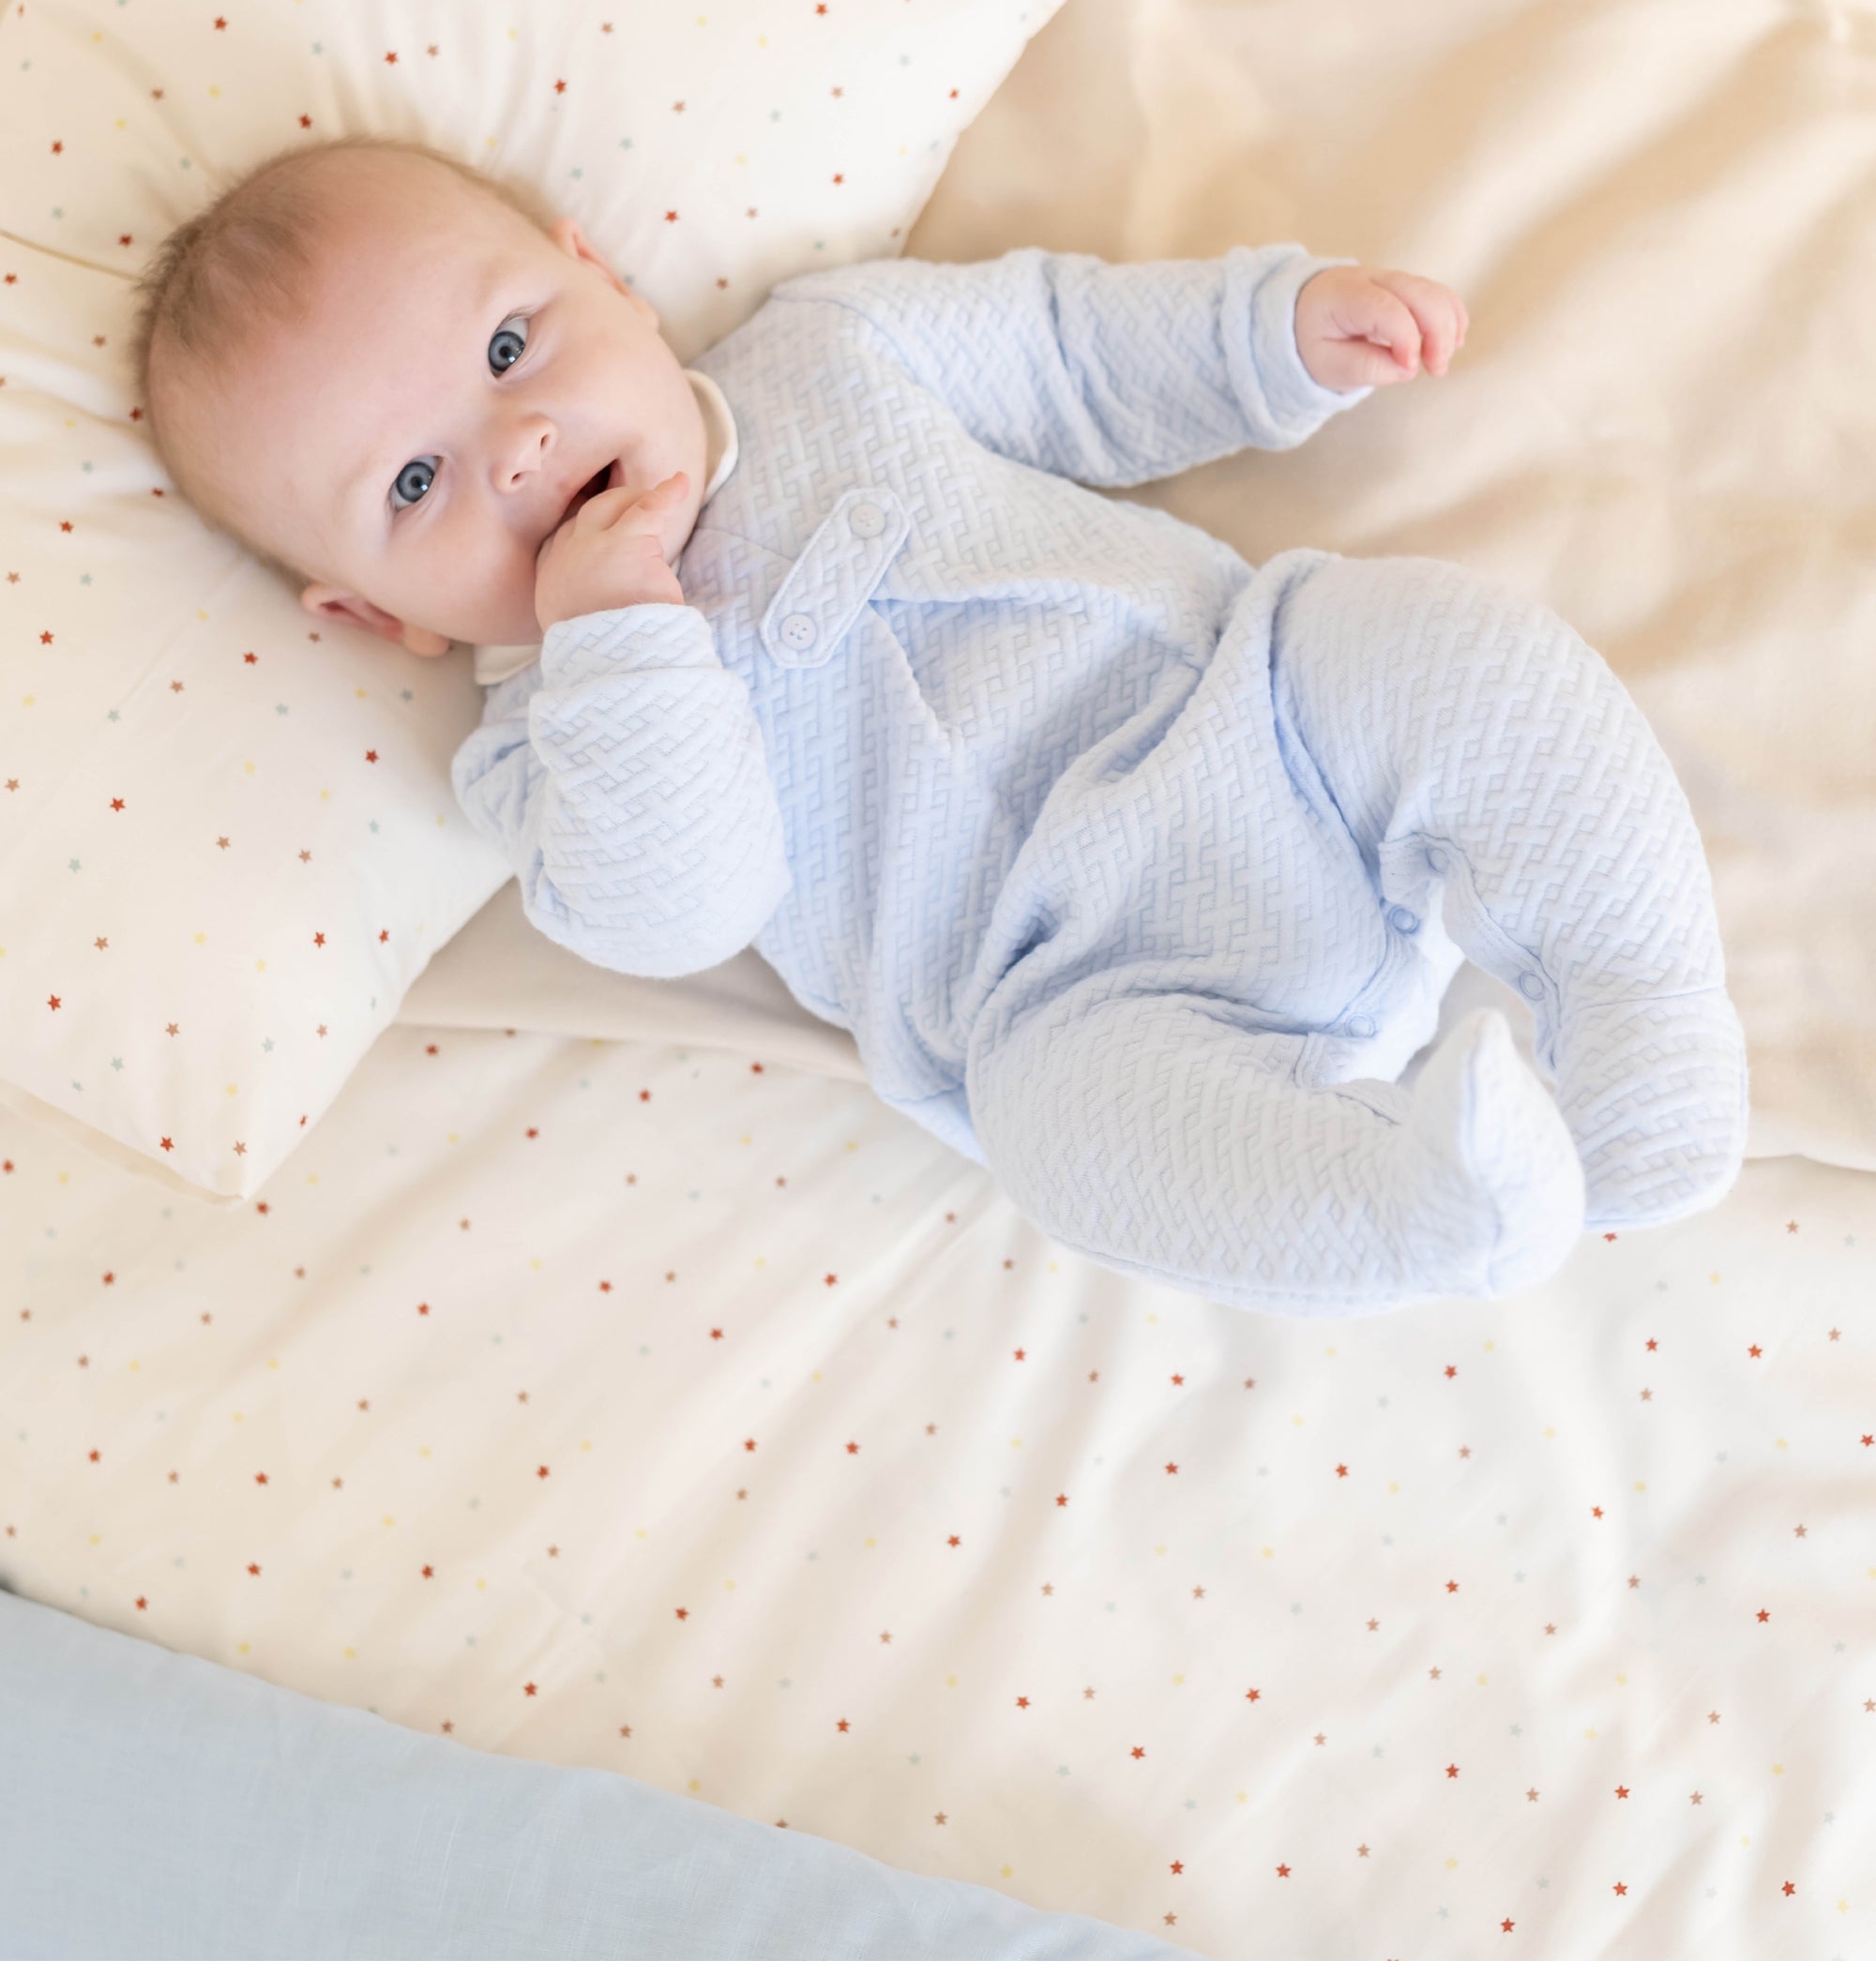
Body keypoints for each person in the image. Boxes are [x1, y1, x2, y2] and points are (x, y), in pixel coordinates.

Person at [131, 134, 1749, 1316]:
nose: (521, 447)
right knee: (1067, 1151)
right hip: (1081, 1004)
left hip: (1267, 715)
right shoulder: (545, 755)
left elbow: (1069, 356)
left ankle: (1643, 1026)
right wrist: (617, 637)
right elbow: (680, 897)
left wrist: (1271, 340)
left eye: (507, 349)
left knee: (1437, 644)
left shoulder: (829, 351)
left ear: (596, 272)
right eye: (414, 486)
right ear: (378, 621)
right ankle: (1420, 1206)